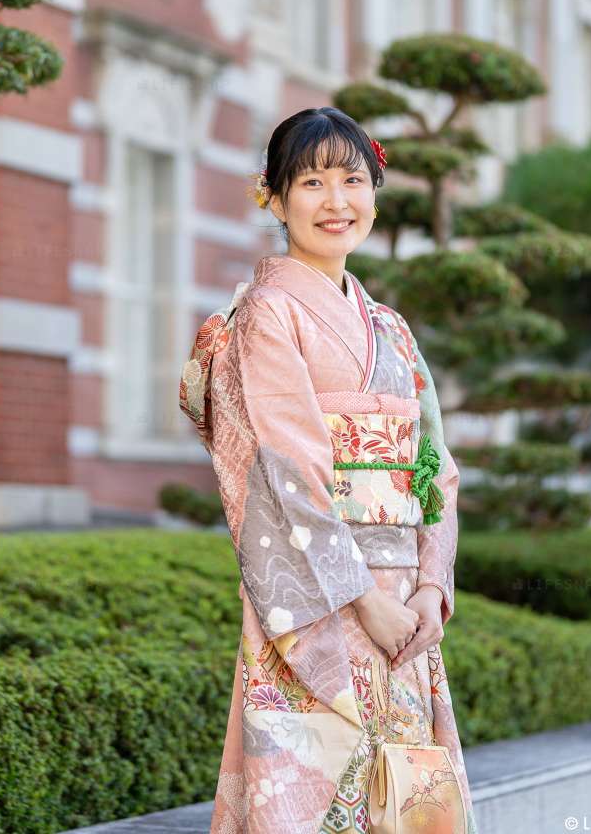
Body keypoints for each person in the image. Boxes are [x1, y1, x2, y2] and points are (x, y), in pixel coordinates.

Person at [179, 107, 477, 833]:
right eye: (311, 182)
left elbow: (433, 467)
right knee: (315, 801)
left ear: (376, 192)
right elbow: (285, 469)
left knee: (407, 796)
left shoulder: (392, 330)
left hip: (405, 610)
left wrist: (432, 588)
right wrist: (362, 600)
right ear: (274, 199)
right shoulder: (267, 316)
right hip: (323, 600)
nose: (336, 201)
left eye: (353, 180)